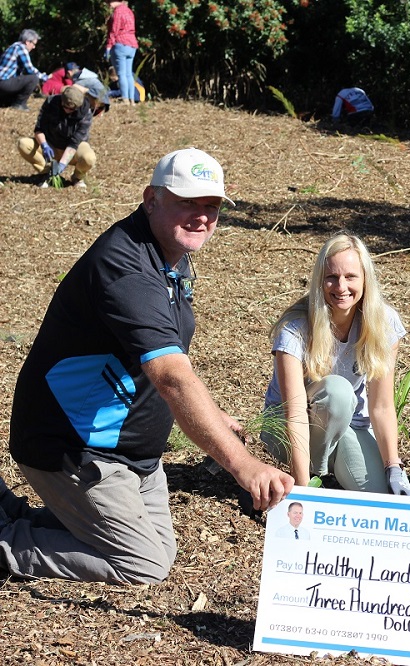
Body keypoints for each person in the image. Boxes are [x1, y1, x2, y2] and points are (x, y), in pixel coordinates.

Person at [0, 148, 294, 584]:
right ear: (151, 198)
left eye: (211, 207)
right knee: (143, 563)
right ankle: (8, 549)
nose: (201, 217)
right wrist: (243, 465)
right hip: (74, 449)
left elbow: (166, 358)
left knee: (159, 545)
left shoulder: (168, 255)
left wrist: (213, 416)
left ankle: (11, 514)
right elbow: (173, 378)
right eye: (187, 203)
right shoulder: (129, 271)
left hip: (133, 453)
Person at [261, 233, 410, 496]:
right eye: (332, 277)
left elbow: (381, 405)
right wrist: (302, 487)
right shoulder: (295, 329)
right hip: (287, 428)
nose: (341, 286)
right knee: (337, 392)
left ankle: (331, 462)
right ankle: (313, 471)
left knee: (380, 495)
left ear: (365, 278)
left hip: (349, 424)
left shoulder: (383, 323)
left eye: (350, 276)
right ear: (320, 281)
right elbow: (294, 412)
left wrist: (393, 468)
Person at [16, 84, 95, 188]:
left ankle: (77, 177)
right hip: (51, 145)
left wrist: (62, 163)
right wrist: (44, 145)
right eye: (64, 107)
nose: (67, 110)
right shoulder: (50, 103)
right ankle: (46, 173)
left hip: (73, 148)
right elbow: (39, 129)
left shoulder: (85, 112)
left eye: (71, 109)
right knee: (23, 144)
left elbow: (75, 141)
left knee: (89, 158)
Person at [0, 29, 49, 110]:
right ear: (27, 42)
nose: (34, 47)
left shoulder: (13, 46)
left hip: (2, 83)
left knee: (25, 78)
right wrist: (44, 77)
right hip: (3, 83)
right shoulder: (21, 48)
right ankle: (19, 104)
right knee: (33, 78)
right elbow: (30, 69)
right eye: (33, 44)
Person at [104, 0, 139, 106]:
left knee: (121, 74)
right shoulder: (129, 11)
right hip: (132, 44)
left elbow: (114, 30)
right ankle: (132, 100)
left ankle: (125, 99)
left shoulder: (117, 12)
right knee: (129, 74)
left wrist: (109, 46)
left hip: (120, 43)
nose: (108, 3)